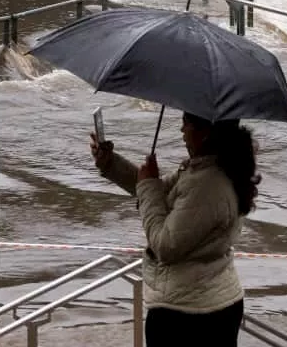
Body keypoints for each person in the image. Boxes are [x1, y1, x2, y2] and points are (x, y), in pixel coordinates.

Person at [90, 113, 260, 347]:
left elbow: (165, 245)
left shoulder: (206, 184)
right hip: (212, 300)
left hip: (189, 314)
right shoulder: (212, 169)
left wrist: (148, 184)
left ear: (205, 132)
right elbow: (154, 191)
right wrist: (110, 163)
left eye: (186, 123)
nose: (181, 130)